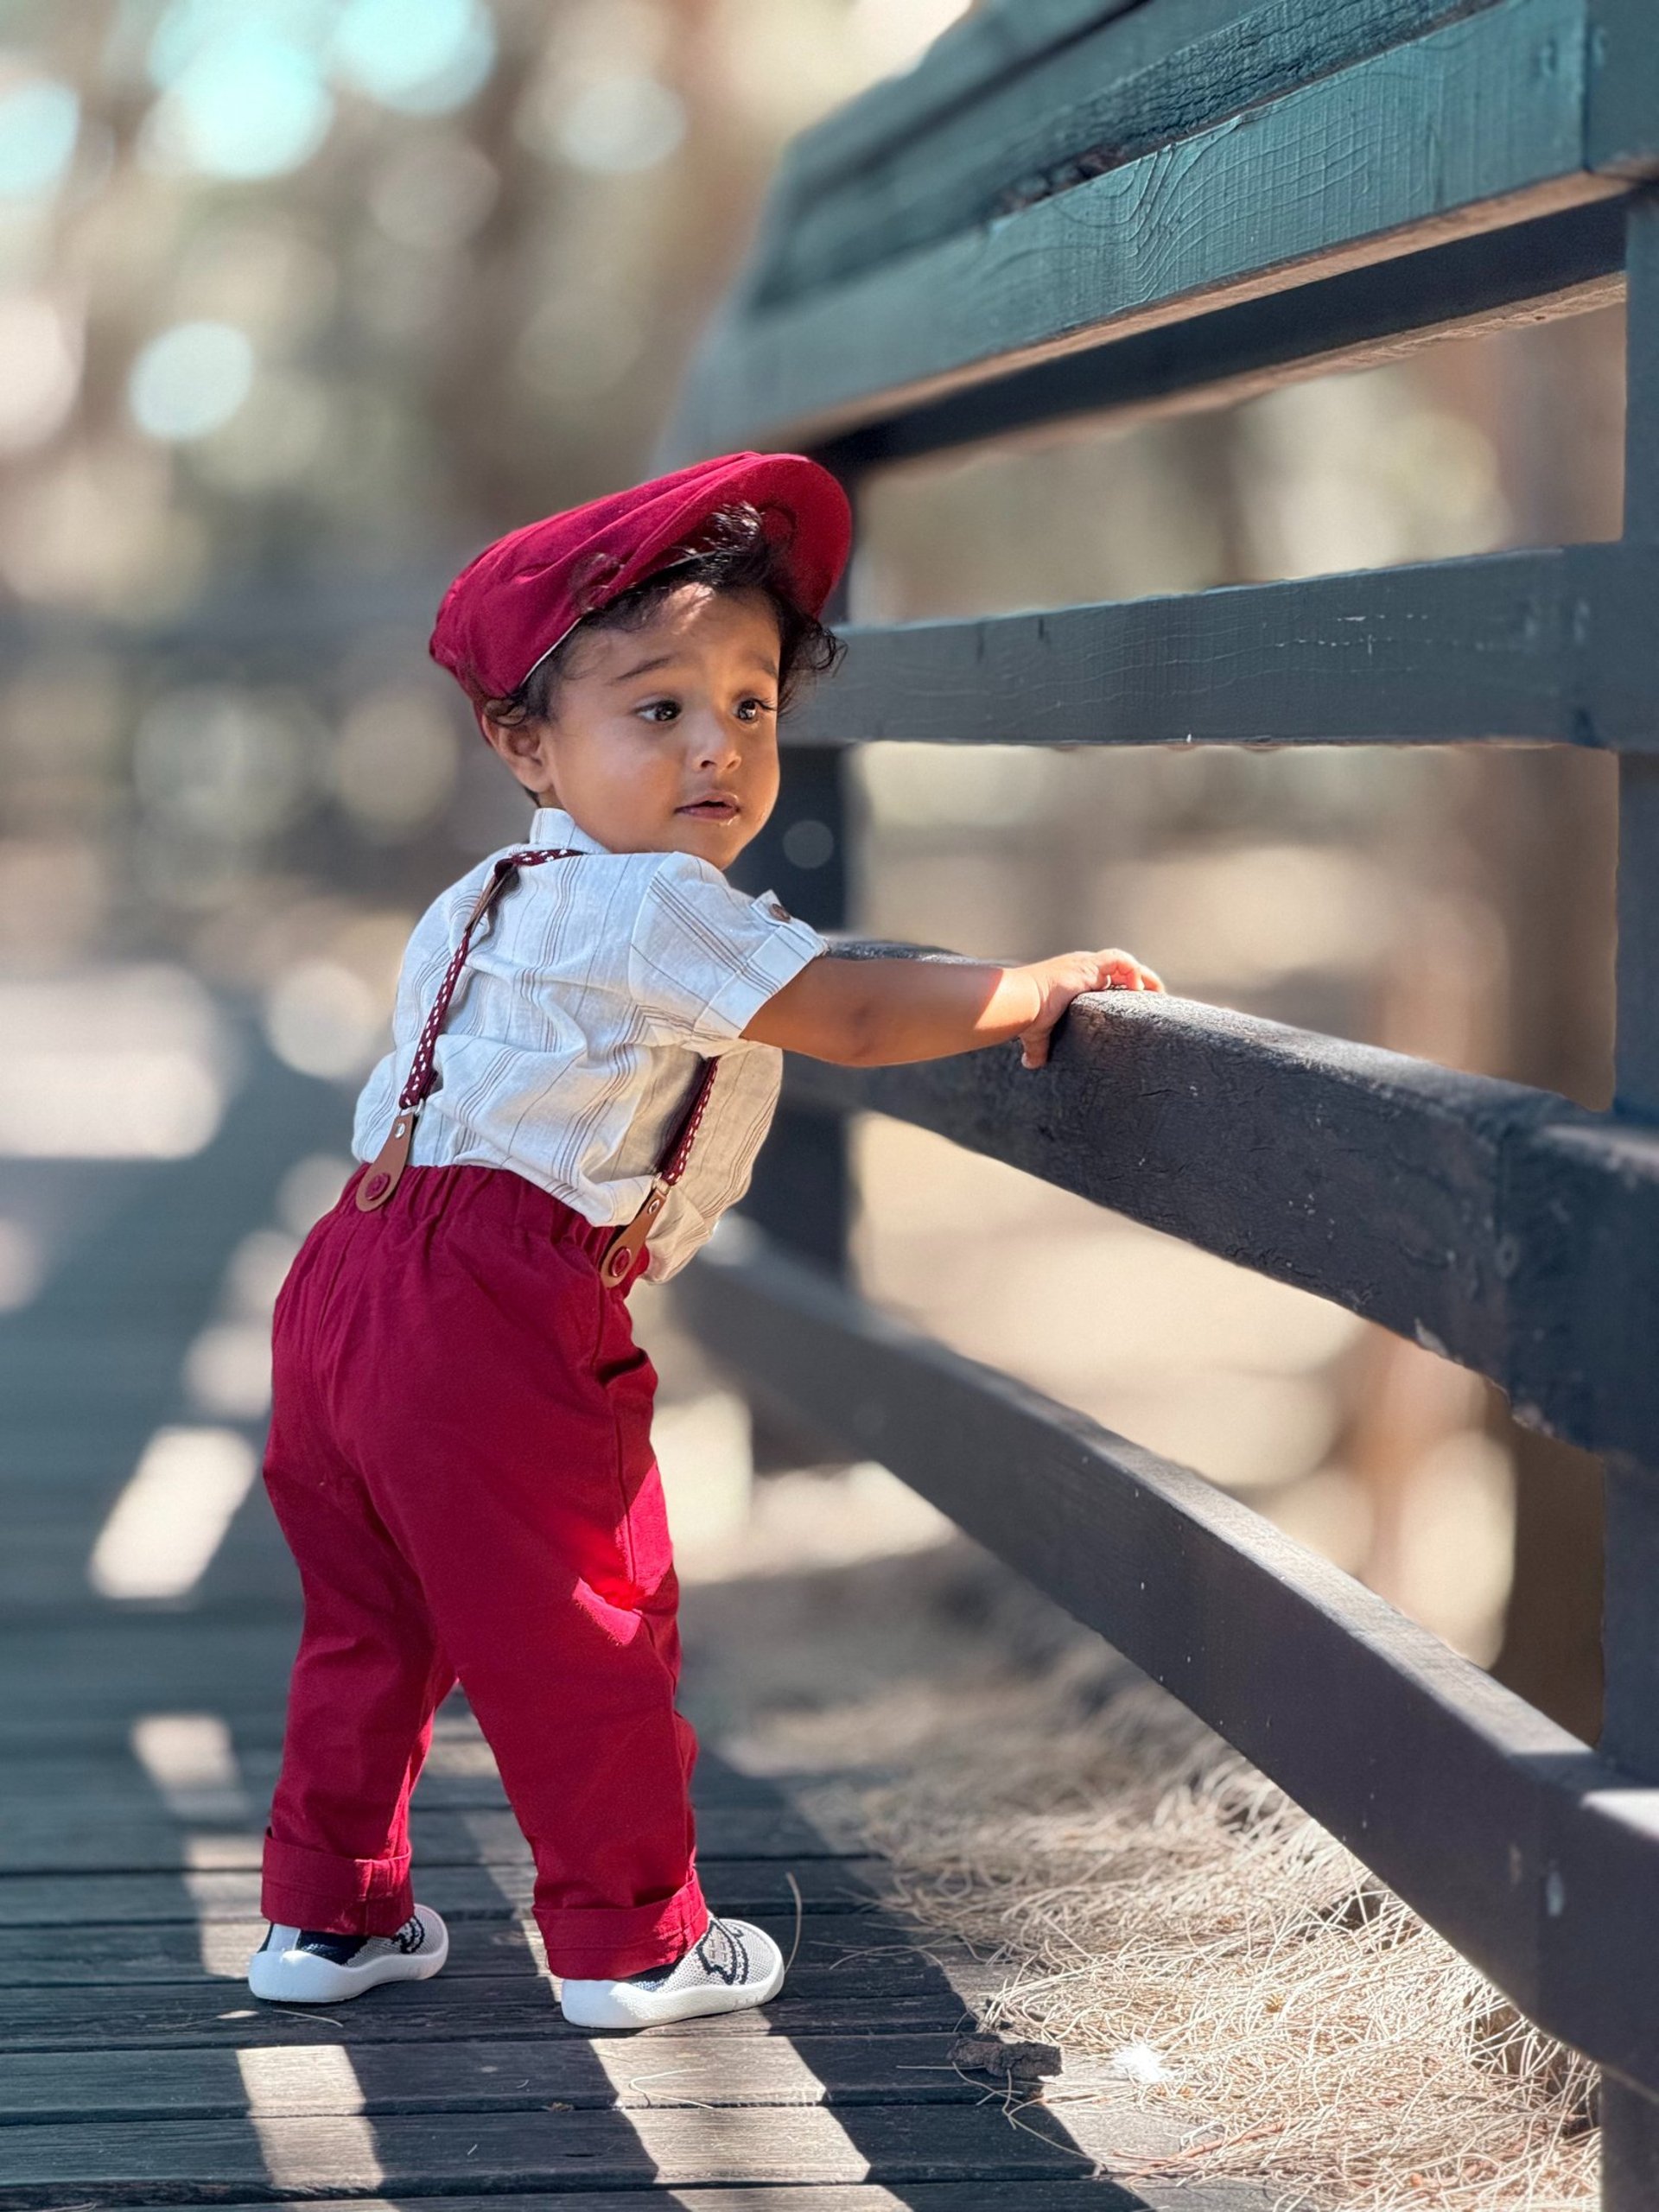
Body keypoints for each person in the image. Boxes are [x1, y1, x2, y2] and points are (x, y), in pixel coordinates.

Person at [247, 451, 1164, 2029]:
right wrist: (1035, 986)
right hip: (493, 1299)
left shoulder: (483, 898)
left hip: (349, 1274)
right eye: (658, 708)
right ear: (526, 742)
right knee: (588, 1620)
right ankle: (633, 1941)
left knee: (372, 1623)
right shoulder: (661, 902)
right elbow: (850, 1011)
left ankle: (326, 1922)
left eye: (751, 705)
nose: (716, 747)